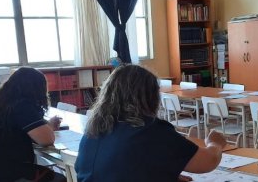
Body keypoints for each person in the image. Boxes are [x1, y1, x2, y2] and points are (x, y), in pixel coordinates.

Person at [75, 65, 226, 182]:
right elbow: (208, 162)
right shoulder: (151, 132)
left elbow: (121, 168)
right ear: (151, 97)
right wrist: (215, 144)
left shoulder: (93, 131)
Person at [0, 67, 65, 182]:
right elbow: (47, 140)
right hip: (7, 173)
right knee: (60, 179)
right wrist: (49, 127)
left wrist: (47, 125)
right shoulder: (22, 106)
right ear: (36, 89)